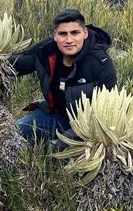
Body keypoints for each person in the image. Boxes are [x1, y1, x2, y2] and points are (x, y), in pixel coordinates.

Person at [9, 9, 117, 142]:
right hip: (57, 115)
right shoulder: (46, 51)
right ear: (55, 36)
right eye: (63, 34)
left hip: (88, 126)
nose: (69, 40)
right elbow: (18, 63)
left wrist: (67, 139)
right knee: (16, 131)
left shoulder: (101, 62)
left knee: (57, 150)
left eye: (75, 33)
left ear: (85, 33)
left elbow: (107, 111)